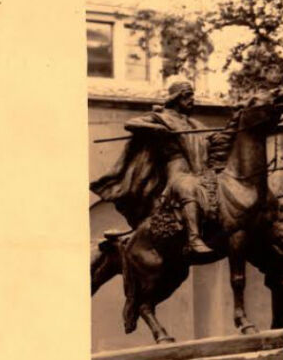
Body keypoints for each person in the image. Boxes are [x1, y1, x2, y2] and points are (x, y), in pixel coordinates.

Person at [90, 79, 215, 257]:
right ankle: (194, 239)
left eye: (192, 95)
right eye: (187, 96)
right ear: (176, 98)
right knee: (186, 187)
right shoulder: (161, 116)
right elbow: (131, 123)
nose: (192, 99)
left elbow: (210, 138)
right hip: (176, 166)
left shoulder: (194, 123)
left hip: (199, 166)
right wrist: (155, 128)